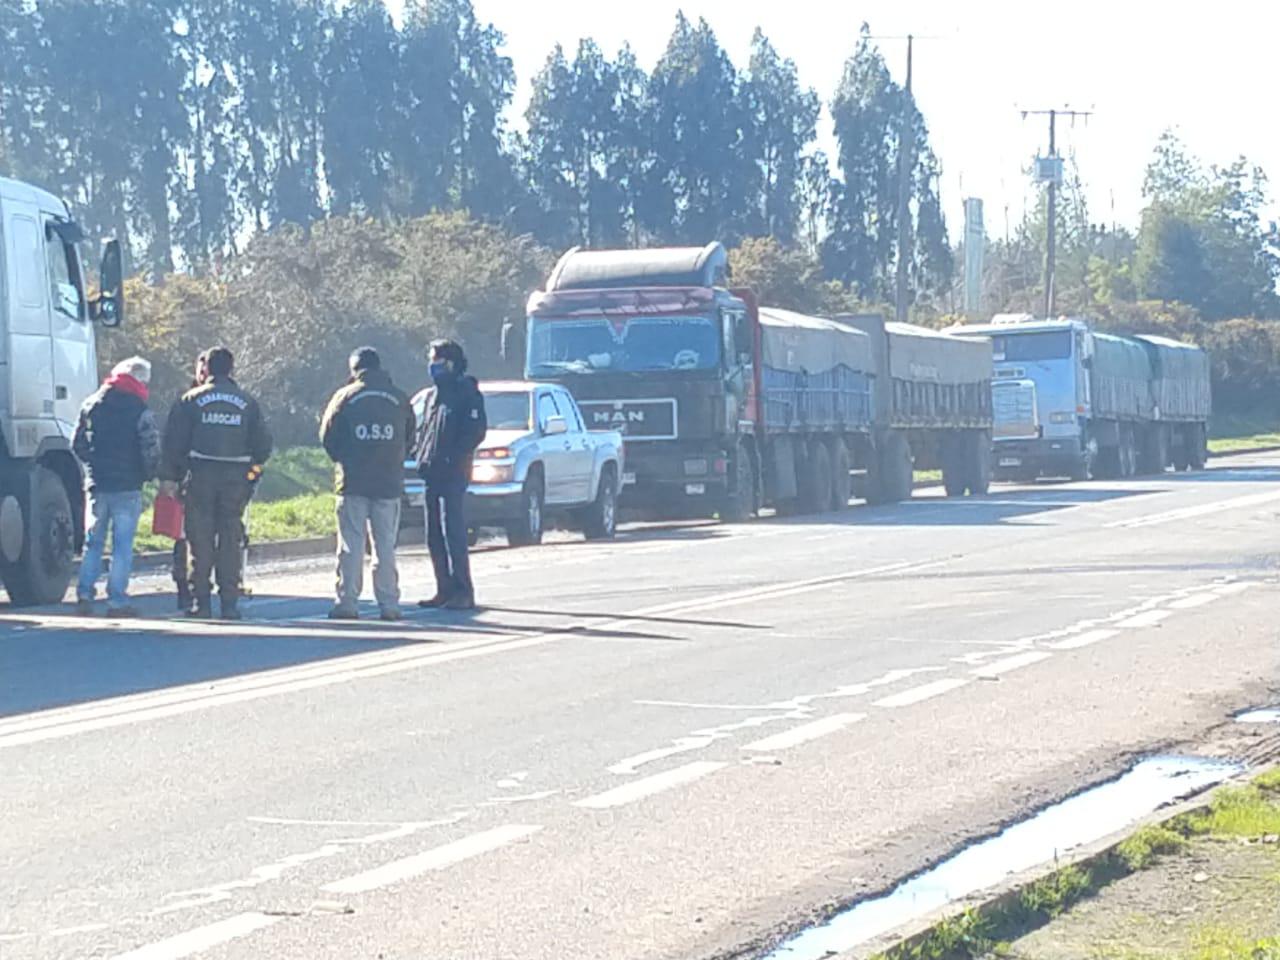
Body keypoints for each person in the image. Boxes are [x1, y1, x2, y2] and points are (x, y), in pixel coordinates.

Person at [160, 347, 273, 620]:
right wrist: (251, 466)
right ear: (231, 369)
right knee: (230, 538)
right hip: (236, 479)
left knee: (199, 540)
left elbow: (173, 443)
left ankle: (201, 602)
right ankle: (229, 603)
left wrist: (170, 478)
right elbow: (263, 445)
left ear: (206, 369)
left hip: (200, 476)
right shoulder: (247, 402)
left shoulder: (190, 400)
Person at [320, 347, 416, 621]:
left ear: (355, 369)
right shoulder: (399, 398)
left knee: (351, 544)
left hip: (353, 482)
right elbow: (410, 437)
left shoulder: (345, 397)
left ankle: (347, 602)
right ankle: (389, 604)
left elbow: (327, 436)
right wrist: (394, 460)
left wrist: (344, 460)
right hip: (388, 483)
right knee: (385, 545)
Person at [72, 356, 161, 617]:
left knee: (93, 541)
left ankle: (85, 594)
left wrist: (92, 466)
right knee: (122, 545)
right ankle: (117, 600)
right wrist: (149, 474)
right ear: (139, 380)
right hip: (128, 485)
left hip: (97, 483)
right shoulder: (139, 408)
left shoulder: (91, 403)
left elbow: (77, 443)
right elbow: (150, 448)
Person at [414, 339, 486, 610]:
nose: (433, 366)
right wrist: (419, 454)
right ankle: (443, 588)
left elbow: (475, 431)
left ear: (452, 363)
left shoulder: (466, 392)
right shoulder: (433, 396)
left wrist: (453, 456)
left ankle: (463, 591)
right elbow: (425, 431)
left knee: (452, 532)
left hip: (454, 472)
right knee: (433, 534)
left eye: (438, 361)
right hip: (432, 472)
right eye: (431, 361)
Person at [171, 350, 210, 613]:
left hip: (215, 481)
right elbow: (173, 443)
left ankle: (205, 587)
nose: (203, 372)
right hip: (188, 480)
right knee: (183, 537)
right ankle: (183, 586)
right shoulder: (186, 402)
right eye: (200, 367)